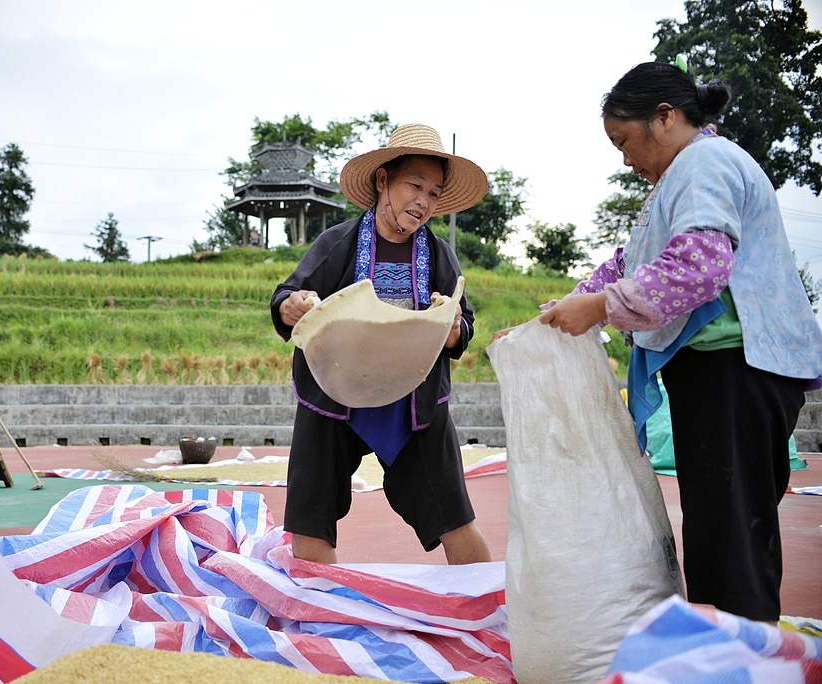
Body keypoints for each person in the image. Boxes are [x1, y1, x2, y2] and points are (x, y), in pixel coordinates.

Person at [534, 61, 822, 623]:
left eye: (623, 141)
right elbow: (628, 263)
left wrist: (597, 307)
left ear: (664, 119)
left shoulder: (704, 162)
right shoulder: (679, 179)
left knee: (731, 535)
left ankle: (740, 653)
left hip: (737, 369)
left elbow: (698, 266)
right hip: (719, 372)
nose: (624, 158)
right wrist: (564, 310)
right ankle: (727, 645)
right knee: (721, 526)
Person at [270, 123, 492, 565]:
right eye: (415, 185)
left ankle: (487, 613)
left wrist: (453, 330)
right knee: (311, 518)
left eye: (434, 193)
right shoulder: (337, 244)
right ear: (382, 180)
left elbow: (462, 321)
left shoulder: (440, 255)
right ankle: (318, 617)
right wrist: (291, 306)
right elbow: (286, 296)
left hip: (414, 404)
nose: (423, 202)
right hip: (333, 398)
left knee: (454, 515)